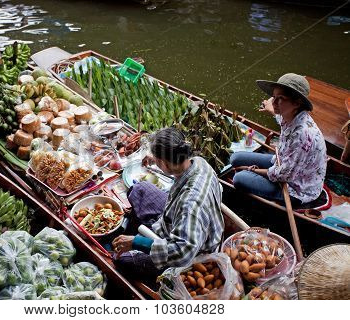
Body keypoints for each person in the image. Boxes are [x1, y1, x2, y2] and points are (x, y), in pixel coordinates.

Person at [112, 127, 224, 278]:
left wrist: (137, 243)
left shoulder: (190, 204)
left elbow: (182, 252)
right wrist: (155, 160)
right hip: (175, 219)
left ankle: (139, 240)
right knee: (139, 188)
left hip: (192, 252)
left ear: (164, 163)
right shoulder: (198, 161)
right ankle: (143, 231)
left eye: (158, 160)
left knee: (121, 260)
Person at [230, 73, 327, 205]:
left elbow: (283, 176)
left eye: (280, 98)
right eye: (273, 97)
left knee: (239, 178)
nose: (274, 102)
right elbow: (278, 116)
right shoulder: (290, 114)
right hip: (282, 163)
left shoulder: (302, 135)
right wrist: (272, 107)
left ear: (297, 103)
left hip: (297, 187)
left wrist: (252, 170)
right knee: (235, 158)